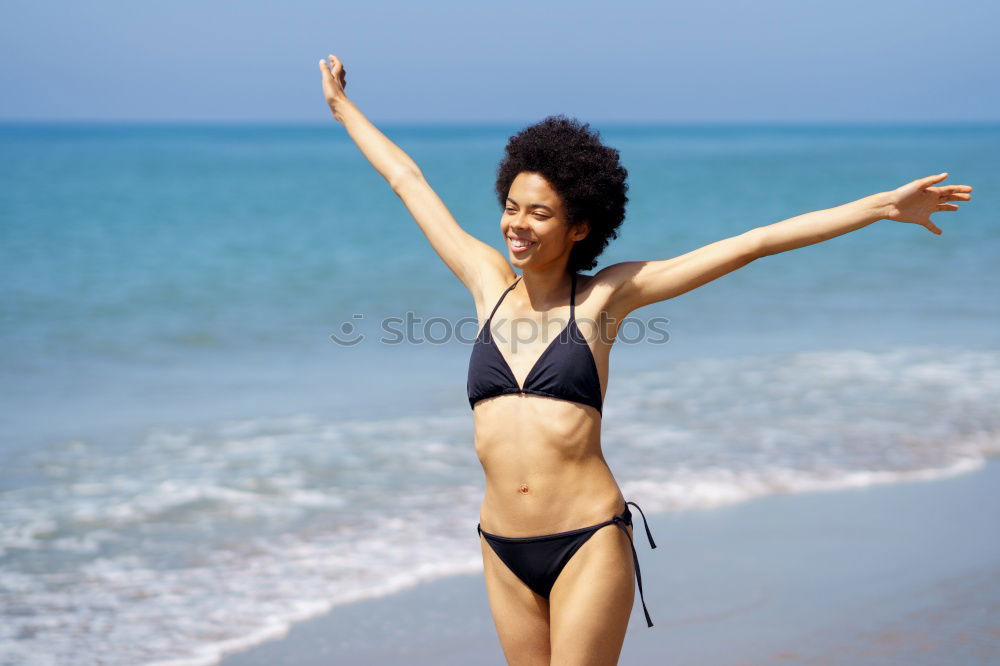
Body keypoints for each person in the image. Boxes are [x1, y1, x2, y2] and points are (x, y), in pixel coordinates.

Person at [318, 54, 972, 665]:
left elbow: (751, 244)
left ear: (578, 227)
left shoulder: (606, 297)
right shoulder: (485, 282)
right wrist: (344, 108)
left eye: (539, 213)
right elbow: (408, 181)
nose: (517, 223)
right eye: (511, 207)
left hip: (586, 539)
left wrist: (882, 206)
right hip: (500, 545)